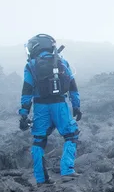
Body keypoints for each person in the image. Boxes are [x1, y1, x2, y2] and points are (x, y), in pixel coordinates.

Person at [18, 34, 81, 184]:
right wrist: (76, 106)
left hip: (40, 107)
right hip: (59, 106)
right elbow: (72, 86)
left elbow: (26, 91)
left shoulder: (31, 65)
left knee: (39, 140)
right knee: (71, 135)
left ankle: (41, 178)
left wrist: (23, 114)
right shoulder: (62, 62)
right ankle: (67, 170)